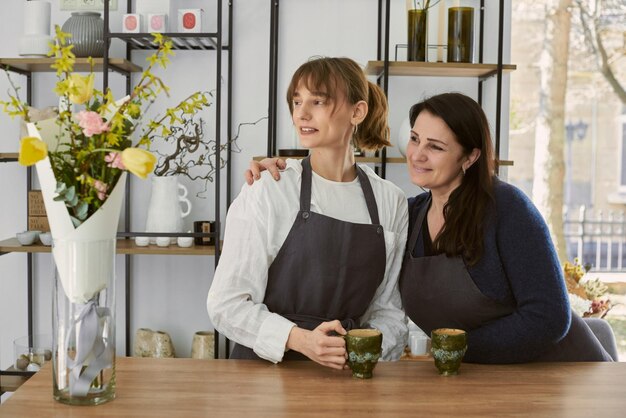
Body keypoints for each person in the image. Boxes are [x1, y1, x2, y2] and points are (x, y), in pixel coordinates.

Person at [247, 92, 613, 363]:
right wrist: (283, 176)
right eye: (415, 139)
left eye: (435, 147)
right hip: (478, 377)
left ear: (470, 156)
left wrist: (452, 350)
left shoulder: (508, 209)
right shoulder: (408, 215)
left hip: (562, 373)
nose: (417, 155)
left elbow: (548, 318)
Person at [207, 57, 408, 369]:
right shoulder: (269, 187)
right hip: (264, 373)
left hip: (345, 374)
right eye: (297, 101)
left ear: (357, 111)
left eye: (318, 101)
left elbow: (389, 310)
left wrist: (356, 351)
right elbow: (226, 304)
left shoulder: (390, 200)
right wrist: (300, 339)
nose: (301, 113)